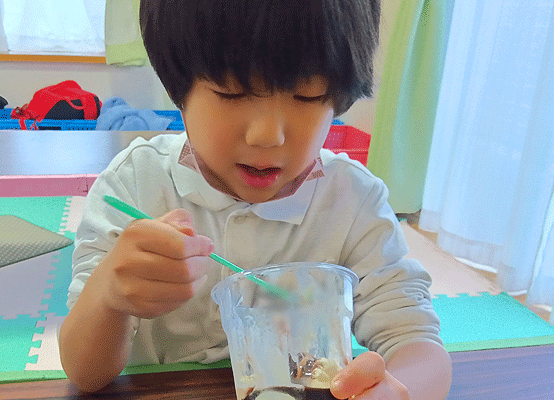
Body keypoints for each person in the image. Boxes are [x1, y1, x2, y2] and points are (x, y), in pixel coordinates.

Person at [58, 0, 453, 398]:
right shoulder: (134, 185)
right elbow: (85, 373)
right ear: (179, 88)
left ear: (339, 96)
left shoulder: (353, 201)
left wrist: (400, 390)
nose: (267, 135)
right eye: (232, 92)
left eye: (305, 95)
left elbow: (419, 345)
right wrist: (109, 295)